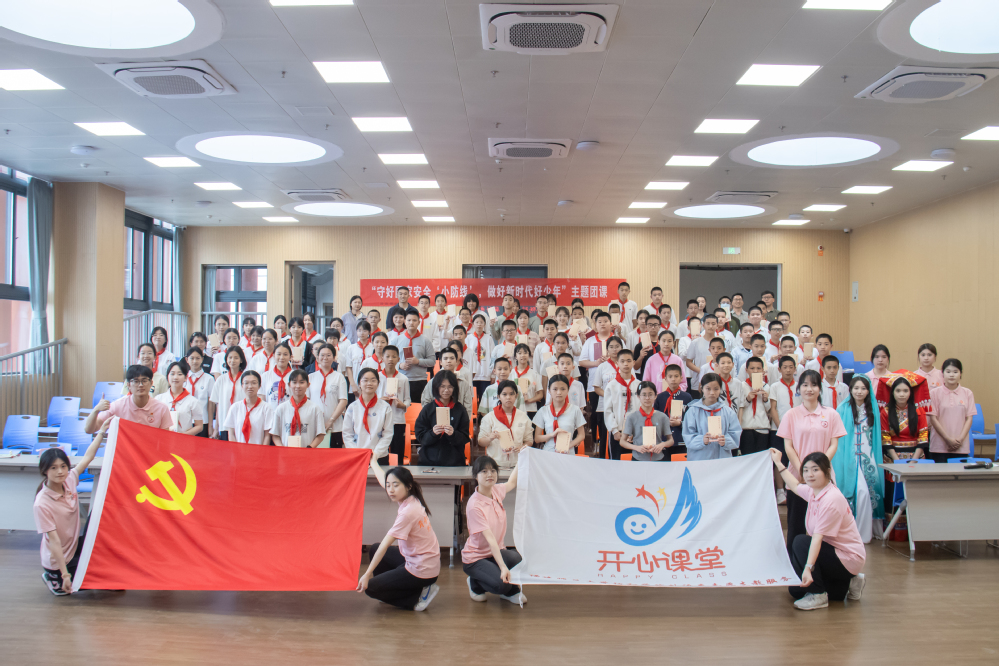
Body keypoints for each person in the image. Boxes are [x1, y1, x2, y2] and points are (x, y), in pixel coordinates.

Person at [770, 450, 867, 611]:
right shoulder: (814, 491)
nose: (810, 474)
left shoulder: (832, 499)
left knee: (801, 542)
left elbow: (816, 539)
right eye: (806, 470)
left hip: (848, 557)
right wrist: (778, 463)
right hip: (832, 553)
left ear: (827, 472)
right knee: (795, 590)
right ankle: (850, 582)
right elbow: (794, 485)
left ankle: (819, 595)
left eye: (815, 470)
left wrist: (808, 568)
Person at [34, 418, 111, 595]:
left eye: (63, 466)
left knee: (99, 511)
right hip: (59, 560)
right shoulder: (41, 504)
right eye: (53, 468)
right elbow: (54, 542)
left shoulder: (69, 479)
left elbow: (88, 457)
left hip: (74, 546)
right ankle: (53, 578)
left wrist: (102, 431)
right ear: (45, 471)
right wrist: (65, 575)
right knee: (100, 580)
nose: (60, 471)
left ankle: (72, 574)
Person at [776, 370, 847, 555]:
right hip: (797, 477)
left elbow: (833, 444)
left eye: (814, 385)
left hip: (824, 477)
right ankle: (794, 564)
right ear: (799, 388)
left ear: (819, 388)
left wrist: (819, 468)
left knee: (825, 526)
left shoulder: (831, 414)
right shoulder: (791, 414)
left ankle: (820, 563)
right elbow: (788, 447)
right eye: (805, 385)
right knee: (796, 524)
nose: (809, 389)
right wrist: (804, 470)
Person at [358, 459, 441, 611]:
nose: (390, 490)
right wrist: (373, 461)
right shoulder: (411, 498)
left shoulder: (408, 512)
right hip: (421, 561)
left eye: (395, 485)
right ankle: (391, 590)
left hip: (423, 569)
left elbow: (385, 545)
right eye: (388, 485)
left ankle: (417, 597)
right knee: (374, 548)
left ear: (408, 486)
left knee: (370, 588)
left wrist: (366, 574)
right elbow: (384, 479)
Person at [463, 455, 526, 604]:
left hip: (493, 552)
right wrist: (503, 567)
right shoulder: (474, 505)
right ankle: (475, 583)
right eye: (484, 471)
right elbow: (490, 539)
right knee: (501, 585)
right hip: (476, 558)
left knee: (518, 560)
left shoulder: (495, 490)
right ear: (476, 476)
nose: (489, 474)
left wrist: (521, 459)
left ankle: (506, 588)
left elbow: (512, 482)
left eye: (493, 470)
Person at [832, 375, 885, 542]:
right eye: (856, 388)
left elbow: (876, 438)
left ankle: (868, 532)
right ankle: (855, 532)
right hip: (849, 458)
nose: (859, 391)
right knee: (860, 493)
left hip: (869, 458)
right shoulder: (842, 408)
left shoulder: (873, 410)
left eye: (863, 388)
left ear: (868, 391)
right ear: (850, 390)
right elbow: (838, 438)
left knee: (871, 494)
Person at [85, 365, 173, 434]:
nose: (140, 385)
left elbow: (165, 438)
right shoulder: (117, 406)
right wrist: (96, 410)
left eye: (144, 380)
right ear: (128, 385)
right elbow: (89, 430)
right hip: (123, 451)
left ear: (151, 383)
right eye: (136, 381)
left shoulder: (161, 408)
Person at [414, 370, 471, 466]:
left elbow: (465, 437)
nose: (446, 390)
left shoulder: (460, 410)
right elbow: (420, 436)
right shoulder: (428, 409)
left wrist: (453, 434)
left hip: (454, 461)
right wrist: (433, 433)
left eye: (450, 387)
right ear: (436, 387)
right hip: (428, 460)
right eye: (442, 386)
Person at [681, 373, 741, 461]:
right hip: (699, 460)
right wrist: (702, 440)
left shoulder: (728, 412)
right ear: (702, 388)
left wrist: (726, 441)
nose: (712, 393)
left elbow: (735, 435)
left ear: (720, 389)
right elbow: (687, 436)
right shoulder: (692, 411)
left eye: (716, 389)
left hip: (722, 460)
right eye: (708, 389)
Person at [928, 359, 976, 463]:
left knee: (959, 473)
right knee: (940, 473)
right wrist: (947, 439)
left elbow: (969, 419)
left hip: (961, 445)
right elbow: (933, 419)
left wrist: (960, 440)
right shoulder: (934, 393)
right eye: (948, 371)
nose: (951, 375)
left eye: (955, 372)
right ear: (942, 373)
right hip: (939, 445)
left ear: (961, 373)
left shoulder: (968, 393)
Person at [343, 367, 394, 464]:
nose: (369, 383)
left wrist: (375, 454)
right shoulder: (352, 407)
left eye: (373, 380)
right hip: (357, 456)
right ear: (359, 383)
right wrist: (357, 453)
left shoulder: (385, 407)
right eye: (365, 380)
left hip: (379, 456)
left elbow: (388, 434)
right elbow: (347, 434)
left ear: (378, 384)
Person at [477, 379, 533, 468]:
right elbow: (481, 441)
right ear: (498, 396)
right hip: (495, 465)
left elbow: (529, 440)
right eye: (504, 394)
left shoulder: (523, 417)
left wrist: (522, 446)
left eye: (511, 394)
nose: (508, 397)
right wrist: (490, 438)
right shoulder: (489, 417)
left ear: (516, 396)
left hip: (518, 464)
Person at [878, 371, 929, 461]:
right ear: (892, 392)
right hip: (892, 458)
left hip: (916, 457)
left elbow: (923, 436)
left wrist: (914, 461)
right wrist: (897, 461)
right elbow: (885, 437)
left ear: (910, 392)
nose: (902, 394)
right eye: (898, 391)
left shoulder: (919, 410)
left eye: (905, 391)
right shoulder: (885, 412)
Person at [269, 369, 325, 448]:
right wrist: (281, 448)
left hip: (306, 452)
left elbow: (320, 434)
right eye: (294, 382)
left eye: (302, 382)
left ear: (308, 385)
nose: (298, 386)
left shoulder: (315, 408)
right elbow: (275, 434)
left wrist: (310, 448)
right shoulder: (281, 408)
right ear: (289, 384)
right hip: (285, 453)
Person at [533, 374, 587, 454]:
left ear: (568, 390)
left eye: (563, 389)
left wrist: (569, 445)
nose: (559, 392)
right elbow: (537, 438)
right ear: (549, 391)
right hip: (549, 453)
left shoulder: (575, 410)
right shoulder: (543, 411)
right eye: (555, 389)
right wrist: (552, 434)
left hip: (567, 453)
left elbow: (581, 435)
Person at [604, 348, 641, 460]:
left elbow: (642, 409)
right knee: (617, 463)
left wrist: (637, 430)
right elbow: (608, 410)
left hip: (636, 433)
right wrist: (614, 430)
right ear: (617, 363)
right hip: (618, 433)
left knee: (635, 463)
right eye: (622, 361)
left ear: (633, 363)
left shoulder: (639, 385)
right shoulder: (612, 385)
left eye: (629, 361)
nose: (626, 364)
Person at [309, 343, 348, 448]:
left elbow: (343, 401)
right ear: (317, 357)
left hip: (335, 426)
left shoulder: (339, 377)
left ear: (334, 358)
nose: (325, 358)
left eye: (328, 355)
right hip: (314, 425)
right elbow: (307, 401)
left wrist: (330, 420)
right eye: (322, 355)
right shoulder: (310, 377)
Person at [622, 381, 672, 461]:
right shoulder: (632, 417)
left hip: (658, 458)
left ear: (655, 396)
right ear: (638, 396)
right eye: (644, 395)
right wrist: (636, 447)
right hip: (638, 458)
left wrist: (662, 444)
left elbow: (671, 440)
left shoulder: (663, 417)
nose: (647, 398)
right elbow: (622, 441)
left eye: (650, 394)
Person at [376, 345, 411, 461]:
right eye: (387, 356)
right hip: (380, 420)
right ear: (382, 358)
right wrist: (380, 400)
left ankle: (398, 471)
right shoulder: (377, 377)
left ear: (398, 359)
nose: (390, 359)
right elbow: (372, 398)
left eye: (394, 356)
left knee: (398, 452)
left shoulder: (403, 378)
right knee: (380, 452)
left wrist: (403, 405)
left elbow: (408, 399)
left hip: (398, 419)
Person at [223, 371, 275, 445]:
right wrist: (235, 450)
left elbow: (267, 435)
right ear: (242, 385)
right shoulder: (235, 407)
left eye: (254, 383)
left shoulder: (266, 408)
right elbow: (231, 433)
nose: (250, 386)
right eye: (246, 383)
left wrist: (262, 450)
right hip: (238, 450)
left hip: (258, 449)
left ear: (259, 386)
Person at [653, 364, 692, 461]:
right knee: (664, 466)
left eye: (676, 376)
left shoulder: (687, 397)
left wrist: (680, 423)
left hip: (681, 439)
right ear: (665, 378)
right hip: (663, 440)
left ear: (681, 378)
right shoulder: (660, 397)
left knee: (680, 466)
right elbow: (654, 418)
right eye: (670, 376)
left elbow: (691, 420)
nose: (673, 379)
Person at [208, 346, 247, 440]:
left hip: (242, 423)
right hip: (225, 424)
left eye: (236, 358)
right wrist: (216, 428)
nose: (232, 360)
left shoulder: (246, 379)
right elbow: (218, 405)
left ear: (241, 360)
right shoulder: (221, 379)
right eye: (230, 357)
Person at [155, 360, 204, 436]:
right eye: (172, 374)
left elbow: (199, 426)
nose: (175, 377)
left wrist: (184, 435)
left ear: (185, 377)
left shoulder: (193, 401)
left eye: (179, 374)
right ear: (167, 377)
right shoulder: (159, 399)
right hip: (163, 438)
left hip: (184, 440)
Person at [398, 311, 435, 403]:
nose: (411, 322)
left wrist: (418, 361)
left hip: (419, 381)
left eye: (414, 320)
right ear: (404, 322)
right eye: (409, 320)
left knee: (418, 408)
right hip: (401, 380)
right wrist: (399, 365)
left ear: (419, 322)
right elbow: (388, 361)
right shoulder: (396, 340)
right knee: (401, 408)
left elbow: (432, 361)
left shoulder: (426, 341)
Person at [738, 356, 771, 456]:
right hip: (746, 427)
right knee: (747, 456)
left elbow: (769, 409)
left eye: (758, 368)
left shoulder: (766, 387)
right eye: (752, 368)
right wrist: (748, 399)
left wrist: (766, 400)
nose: (755, 371)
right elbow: (739, 406)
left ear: (763, 371)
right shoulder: (742, 385)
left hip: (762, 426)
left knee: (761, 457)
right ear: (746, 370)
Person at [642, 330, 686, 394]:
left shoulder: (678, 360)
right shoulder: (651, 360)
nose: (666, 344)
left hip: (674, 396)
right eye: (664, 341)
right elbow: (646, 381)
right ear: (658, 341)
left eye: (669, 341)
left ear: (673, 343)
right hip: (656, 396)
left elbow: (683, 382)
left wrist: (675, 392)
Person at [184, 346, 214, 437]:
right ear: (187, 360)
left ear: (202, 359)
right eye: (192, 358)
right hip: (186, 421)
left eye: (198, 358)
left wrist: (210, 425)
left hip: (203, 421)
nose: (195, 361)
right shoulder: (183, 378)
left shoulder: (209, 379)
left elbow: (211, 404)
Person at [260, 343, 293, 408]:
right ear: (274, 356)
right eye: (279, 354)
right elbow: (262, 398)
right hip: (270, 412)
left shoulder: (295, 376)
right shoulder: (265, 376)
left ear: (290, 357)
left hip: (290, 412)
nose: (282, 357)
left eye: (285, 354)